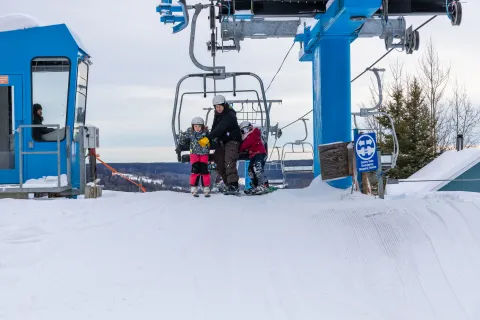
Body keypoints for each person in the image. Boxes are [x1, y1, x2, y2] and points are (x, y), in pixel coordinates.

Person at [198, 95, 241, 194]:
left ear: (224, 105)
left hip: (232, 140)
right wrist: (209, 136)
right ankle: (228, 184)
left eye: (220, 106)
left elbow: (221, 128)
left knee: (229, 160)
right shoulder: (217, 114)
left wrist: (208, 139)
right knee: (219, 161)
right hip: (222, 141)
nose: (218, 109)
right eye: (216, 107)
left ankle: (233, 184)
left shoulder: (229, 115)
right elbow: (215, 127)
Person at [177, 117, 211, 197]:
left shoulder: (205, 133)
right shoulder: (190, 133)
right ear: (193, 127)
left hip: (204, 154)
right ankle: (194, 187)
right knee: (195, 170)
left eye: (199, 126)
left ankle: (206, 188)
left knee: (204, 170)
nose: (197, 128)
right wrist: (180, 146)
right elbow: (183, 140)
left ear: (202, 126)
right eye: (195, 126)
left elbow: (211, 139)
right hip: (194, 154)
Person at [239, 121, 269, 195]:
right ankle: (255, 185)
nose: (245, 132)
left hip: (259, 153)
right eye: (243, 131)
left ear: (250, 127)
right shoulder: (247, 136)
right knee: (250, 170)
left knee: (258, 168)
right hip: (253, 155)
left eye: (246, 129)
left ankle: (264, 184)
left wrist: (239, 148)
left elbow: (246, 144)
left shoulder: (254, 133)